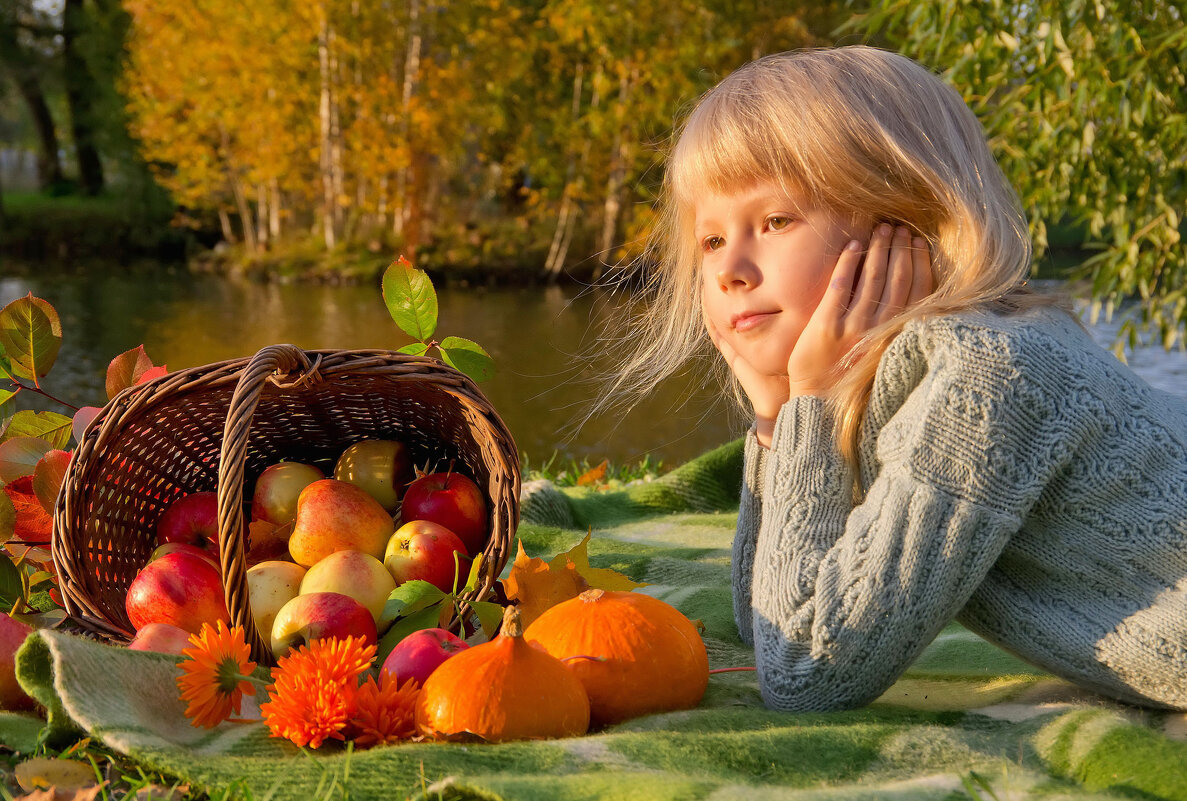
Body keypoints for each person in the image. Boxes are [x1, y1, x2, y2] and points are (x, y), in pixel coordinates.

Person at [601, 46, 1187, 712]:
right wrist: (777, 417)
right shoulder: (903, 373)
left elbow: (805, 671)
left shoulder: (985, 374)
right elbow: (763, 621)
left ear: (905, 219)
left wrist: (812, 407)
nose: (729, 267)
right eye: (709, 240)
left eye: (774, 221)